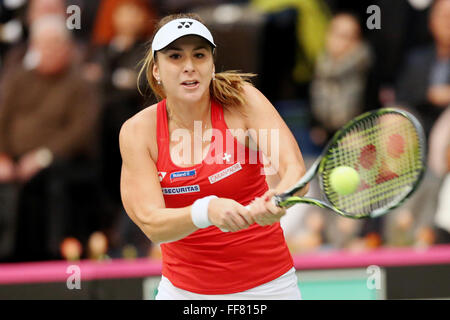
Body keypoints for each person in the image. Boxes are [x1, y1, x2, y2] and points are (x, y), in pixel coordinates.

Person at [119, 13, 309, 299]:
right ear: (156, 69)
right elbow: (152, 223)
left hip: (269, 288)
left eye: (199, 55)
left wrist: (279, 198)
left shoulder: (243, 101)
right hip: (184, 293)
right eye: (175, 57)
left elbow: (294, 171)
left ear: (212, 64)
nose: (189, 67)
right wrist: (206, 210)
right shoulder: (137, 132)